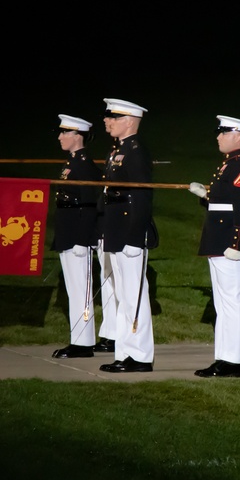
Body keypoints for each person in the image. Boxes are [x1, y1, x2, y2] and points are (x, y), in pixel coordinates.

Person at [188, 115, 240, 378]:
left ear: (237, 136)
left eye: (223, 133)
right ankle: (224, 358)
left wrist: (236, 243)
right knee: (223, 303)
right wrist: (205, 197)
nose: (218, 137)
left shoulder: (239, 165)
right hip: (219, 240)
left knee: (231, 302)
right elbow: (224, 204)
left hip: (229, 243)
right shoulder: (228, 165)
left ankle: (232, 361)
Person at [97, 98, 158, 373]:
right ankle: (124, 352)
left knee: (134, 294)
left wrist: (136, 235)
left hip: (129, 231)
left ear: (130, 121)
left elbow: (142, 197)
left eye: (114, 117)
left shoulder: (136, 151)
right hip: (116, 229)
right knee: (123, 294)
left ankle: (140, 356)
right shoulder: (119, 150)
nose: (107, 121)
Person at [50, 114, 102, 359]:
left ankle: (83, 343)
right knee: (74, 288)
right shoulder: (72, 162)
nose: (60, 137)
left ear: (78, 136)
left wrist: (83, 239)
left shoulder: (84, 166)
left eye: (65, 133)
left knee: (81, 289)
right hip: (67, 232)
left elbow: (90, 205)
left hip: (77, 236)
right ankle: (79, 338)